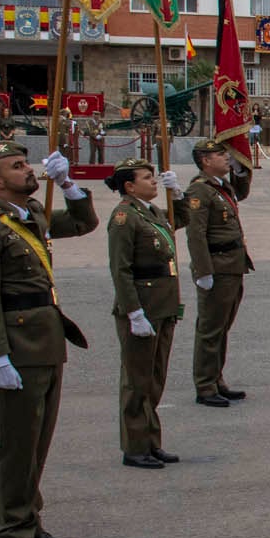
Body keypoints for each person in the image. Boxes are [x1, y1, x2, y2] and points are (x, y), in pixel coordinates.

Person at [0, 142, 99, 538]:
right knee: (18, 445)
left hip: (46, 341)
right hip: (17, 347)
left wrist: (68, 183)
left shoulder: (32, 215)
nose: (29, 171)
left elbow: (83, 223)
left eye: (27, 163)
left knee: (37, 442)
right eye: (18, 167)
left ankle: (30, 521)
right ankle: (13, 528)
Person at [104, 159, 187, 469]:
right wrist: (133, 312)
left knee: (154, 380)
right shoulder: (125, 217)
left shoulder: (150, 212)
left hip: (162, 305)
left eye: (154, 177)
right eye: (147, 178)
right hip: (143, 307)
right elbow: (121, 269)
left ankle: (151, 442)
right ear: (129, 186)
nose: (154, 182)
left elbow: (179, 220)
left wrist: (176, 193)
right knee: (137, 382)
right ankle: (135, 446)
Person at [184, 137, 254, 407]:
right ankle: (205, 385)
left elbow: (242, 193)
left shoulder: (220, 186)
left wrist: (240, 169)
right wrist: (203, 271)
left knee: (222, 327)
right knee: (210, 329)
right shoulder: (200, 191)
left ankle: (216, 379)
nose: (226, 158)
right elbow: (196, 234)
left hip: (233, 264)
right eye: (221, 155)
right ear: (205, 160)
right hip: (217, 265)